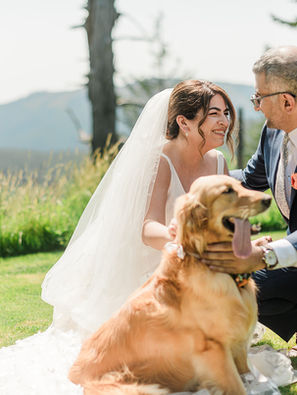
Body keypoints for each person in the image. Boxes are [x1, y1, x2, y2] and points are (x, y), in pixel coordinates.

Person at [0, 80, 237, 395]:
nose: (225, 122)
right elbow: (147, 225)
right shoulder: (161, 159)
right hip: (157, 264)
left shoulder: (219, 162)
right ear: (184, 122)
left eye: (226, 113)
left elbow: (224, 220)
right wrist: (176, 241)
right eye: (214, 114)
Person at [202, 46, 297, 345]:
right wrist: (192, 179)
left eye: (259, 98)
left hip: (289, 254)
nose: (256, 107)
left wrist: (264, 255)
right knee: (224, 282)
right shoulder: (272, 132)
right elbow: (250, 180)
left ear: (286, 101)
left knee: (234, 282)